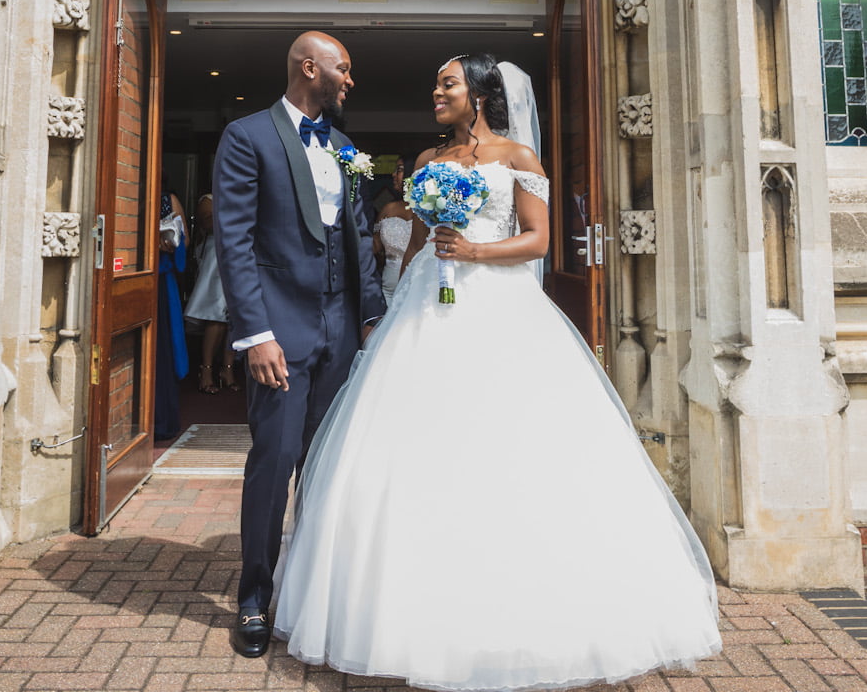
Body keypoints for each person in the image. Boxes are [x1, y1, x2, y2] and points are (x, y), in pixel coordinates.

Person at [271, 54, 722, 691]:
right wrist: (397, 302)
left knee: (507, 440)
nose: (436, 93)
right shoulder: (428, 165)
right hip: (429, 305)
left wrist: (476, 249)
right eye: (436, 83)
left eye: (447, 84)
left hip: (500, 307)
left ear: (479, 96)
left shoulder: (519, 160)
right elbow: (425, 239)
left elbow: (538, 241)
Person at [211, 31, 385, 660]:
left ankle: (311, 591)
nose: (350, 81)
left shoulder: (344, 147)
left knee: (327, 465)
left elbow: (359, 240)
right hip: (279, 331)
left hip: (340, 330)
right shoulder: (248, 136)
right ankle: (254, 598)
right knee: (275, 462)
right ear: (311, 68)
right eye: (345, 69)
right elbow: (234, 243)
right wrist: (254, 333)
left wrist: (372, 319)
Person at [182, 193, 234, 394]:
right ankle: (206, 370)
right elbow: (208, 226)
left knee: (235, 315)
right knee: (217, 313)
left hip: (243, 253)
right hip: (217, 258)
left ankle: (227, 370)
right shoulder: (208, 200)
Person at [152, 191, 189, 442]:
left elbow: (184, 241)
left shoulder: (169, 199)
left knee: (163, 348)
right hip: (141, 276)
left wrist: (169, 240)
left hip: (162, 281)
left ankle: (162, 419)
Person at [371, 157, 417, 310]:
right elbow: (375, 246)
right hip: (388, 287)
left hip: (418, 281)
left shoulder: (427, 210)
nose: (393, 174)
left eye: (399, 170)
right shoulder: (388, 209)